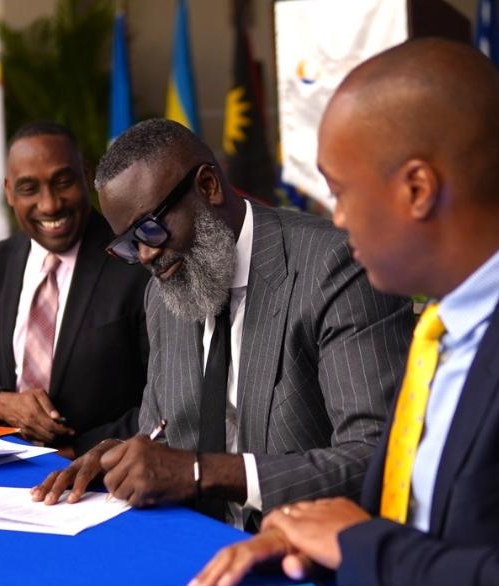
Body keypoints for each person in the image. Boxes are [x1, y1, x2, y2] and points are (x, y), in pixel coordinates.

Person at [187, 38, 499, 586]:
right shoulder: (446, 314)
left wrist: (355, 544)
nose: (337, 219)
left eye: (340, 192)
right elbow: (412, 509)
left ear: (417, 190)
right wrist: (306, 541)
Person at [31, 118, 414, 530]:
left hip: (295, 547)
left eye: (149, 229)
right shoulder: (163, 291)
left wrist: (200, 472)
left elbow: (375, 458)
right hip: (190, 537)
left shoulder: (334, 267)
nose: (144, 256)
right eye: (128, 243)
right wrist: (119, 456)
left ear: (208, 186)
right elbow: (163, 438)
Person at [0, 121, 149, 455]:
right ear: (9, 192)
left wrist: (79, 451)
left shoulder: (137, 262)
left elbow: (167, 400)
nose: (49, 205)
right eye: (28, 188)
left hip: (100, 474)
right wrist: (2, 404)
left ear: (86, 175)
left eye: (62, 182)